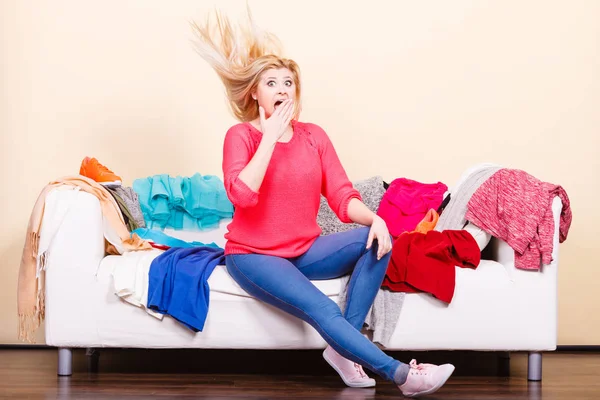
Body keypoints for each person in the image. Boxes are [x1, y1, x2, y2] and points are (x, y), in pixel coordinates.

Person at [191, 9, 455, 398]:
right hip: (253, 256)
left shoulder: (314, 136)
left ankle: (341, 349)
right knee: (322, 311)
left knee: (378, 240)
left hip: (304, 249)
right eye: (272, 83)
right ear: (255, 93)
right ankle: (402, 375)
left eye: (288, 83)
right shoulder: (241, 136)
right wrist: (269, 137)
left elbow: (342, 195)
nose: (283, 89)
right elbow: (241, 196)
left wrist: (376, 219)